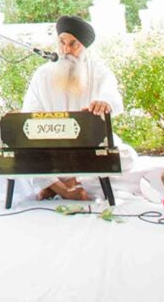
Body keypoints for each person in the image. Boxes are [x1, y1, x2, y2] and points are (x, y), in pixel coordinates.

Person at [21, 15, 137, 201]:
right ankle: (65, 188)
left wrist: (104, 103)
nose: (66, 49)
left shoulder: (97, 70)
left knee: (126, 156)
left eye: (73, 44)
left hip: (88, 145)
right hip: (51, 144)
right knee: (22, 154)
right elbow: (28, 115)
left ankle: (58, 184)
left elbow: (112, 97)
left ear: (83, 47)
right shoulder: (43, 74)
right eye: (62, 42)